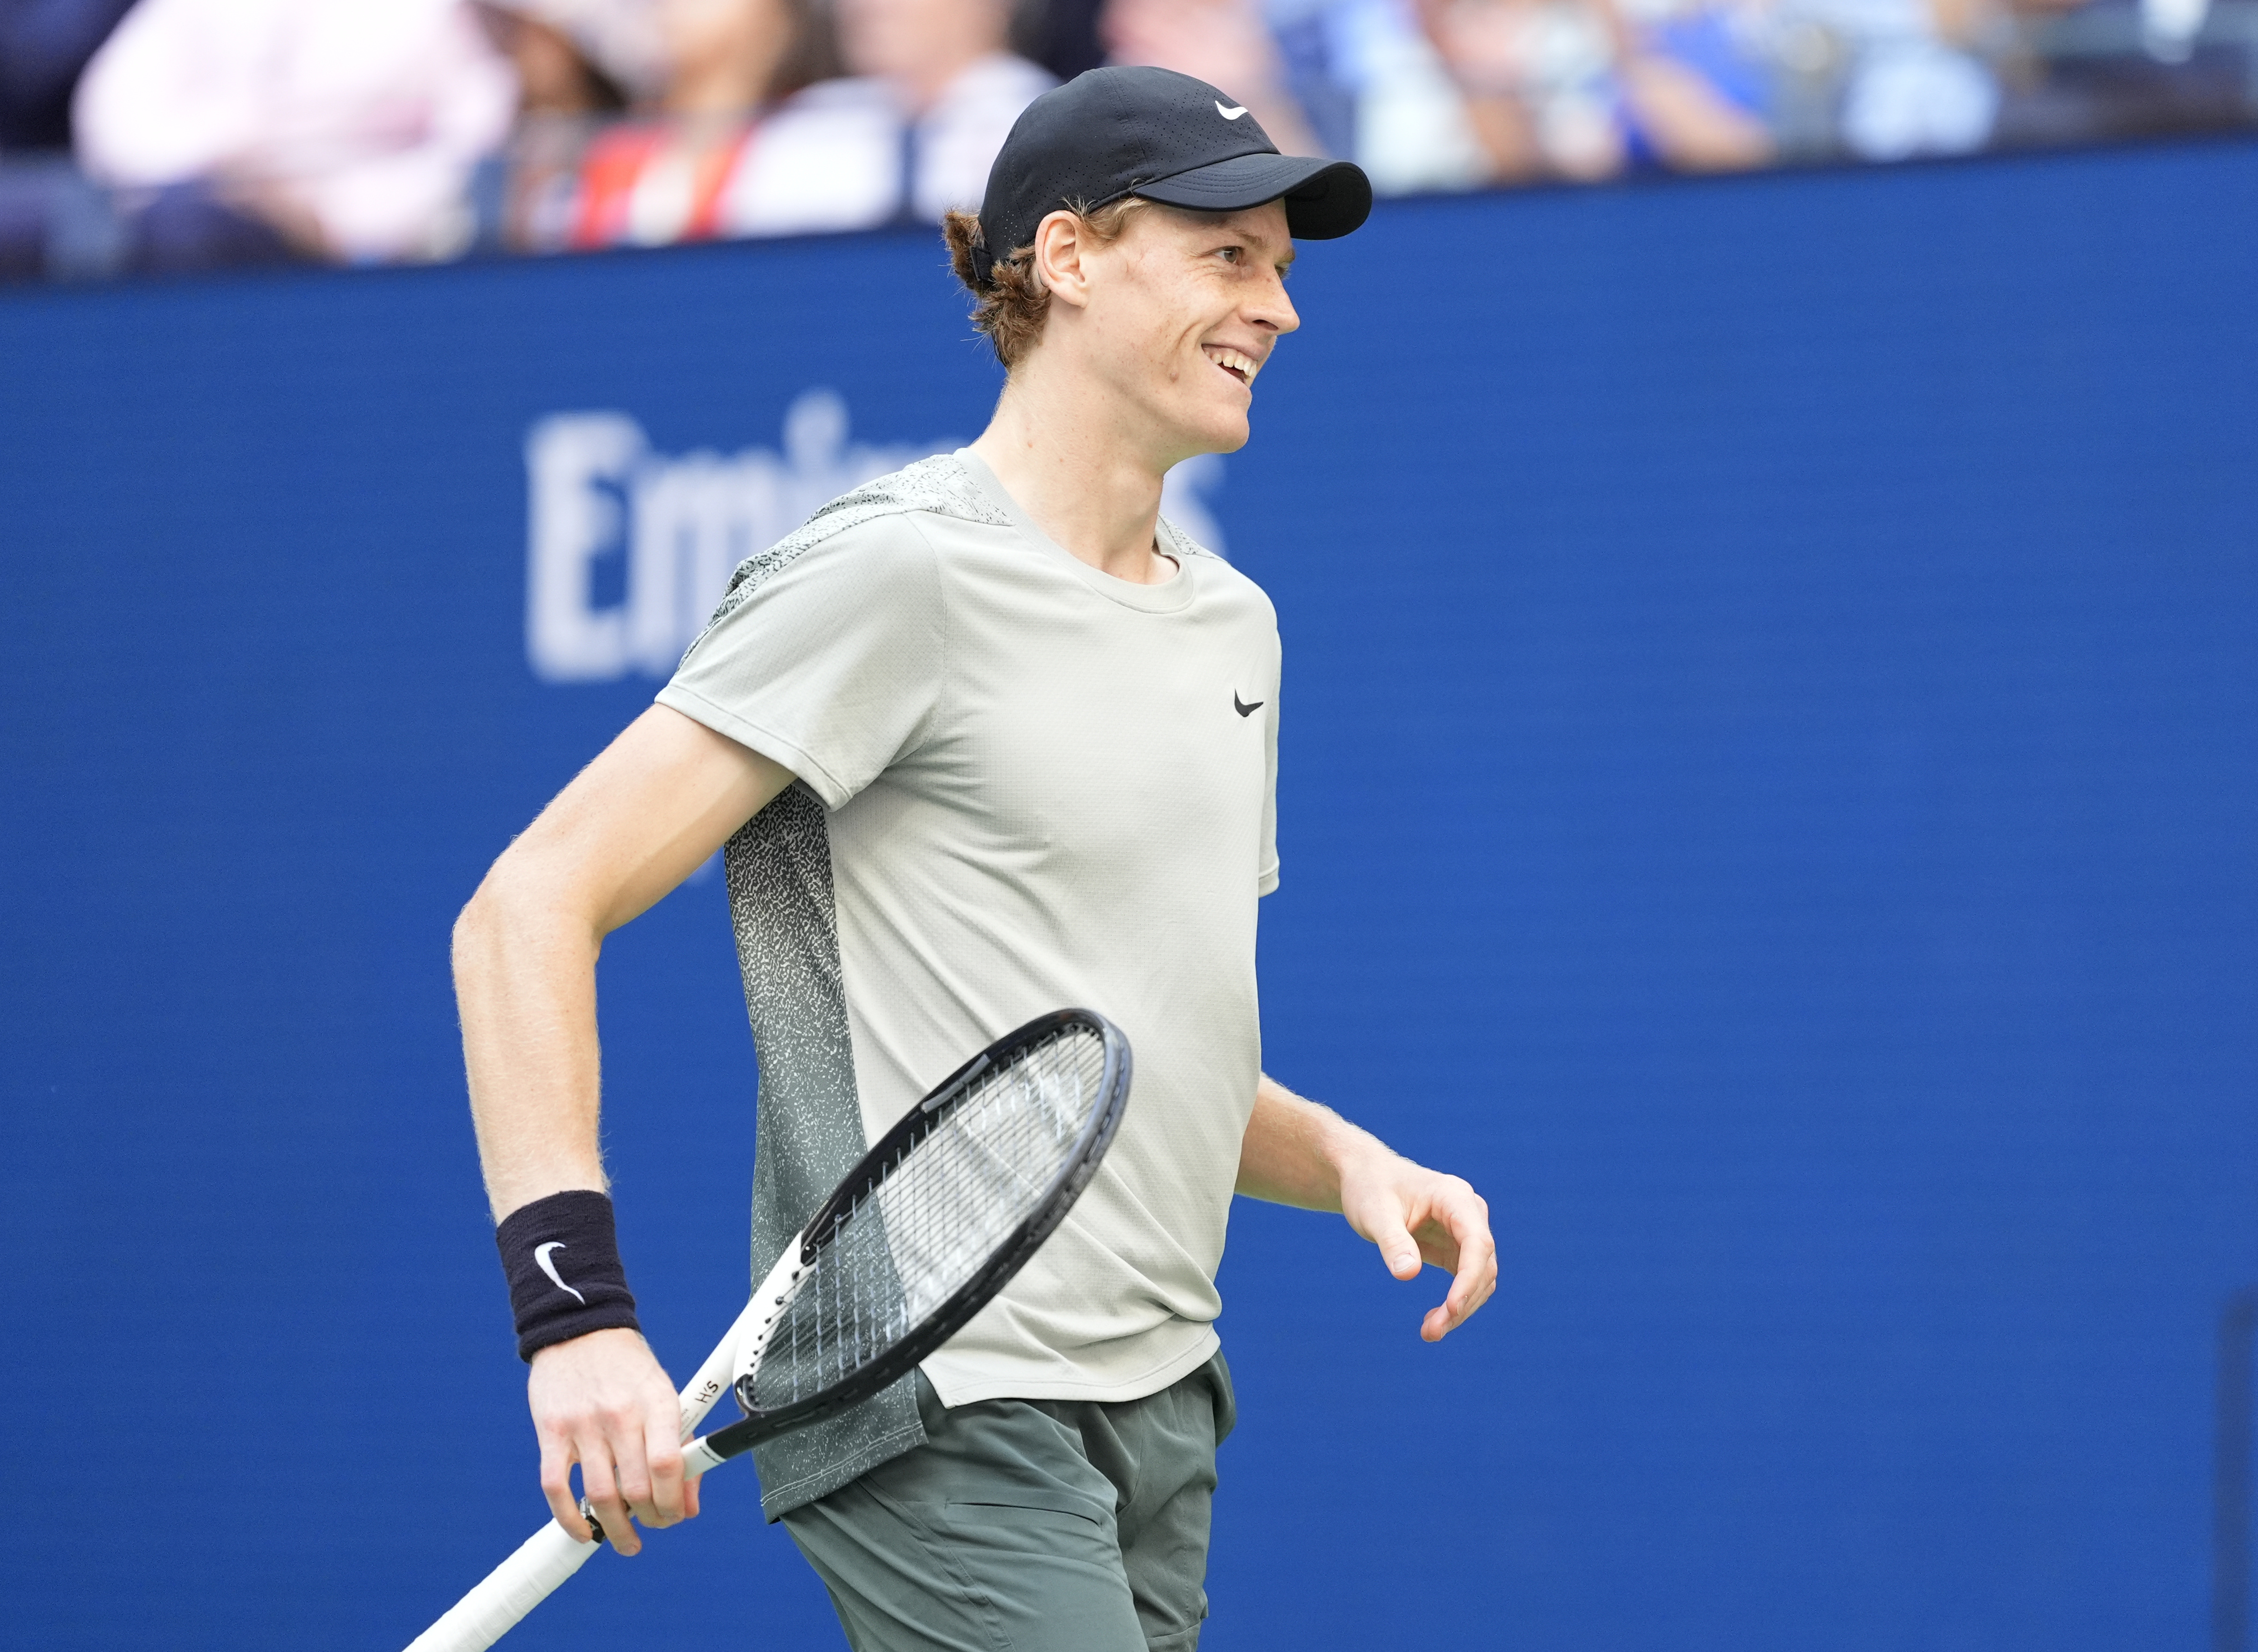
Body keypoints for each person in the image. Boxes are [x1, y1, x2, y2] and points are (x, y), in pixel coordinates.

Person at [451, 64, 1496, 1651]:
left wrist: (1344, 1153)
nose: (1278, 306)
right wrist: (573, 1319)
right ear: (1068, 259)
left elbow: (1094, 1060)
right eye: (1230, 255)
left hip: (1160, 1403)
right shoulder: (894, 573)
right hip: (932, 1398)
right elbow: (527, 905)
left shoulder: (1237, 625)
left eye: (1282, 267)